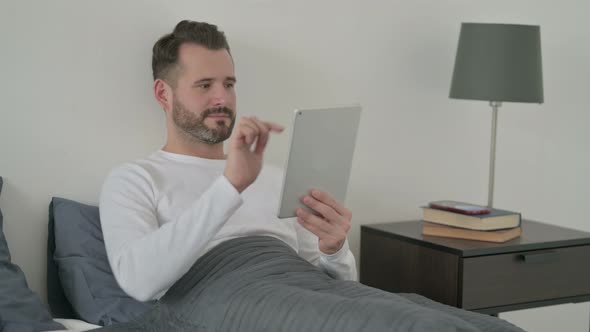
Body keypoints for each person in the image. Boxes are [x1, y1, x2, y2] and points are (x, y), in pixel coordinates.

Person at [99, 20, 357, 302]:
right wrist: (230, 185)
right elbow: (138, 281)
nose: (222, 97)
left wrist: (335, 250)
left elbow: (339, 290)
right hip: (231, 304)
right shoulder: (134, 180)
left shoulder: (276, 178)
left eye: (229, 84)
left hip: (302, 299)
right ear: (163, 94)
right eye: (205, 85)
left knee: (403, 311)